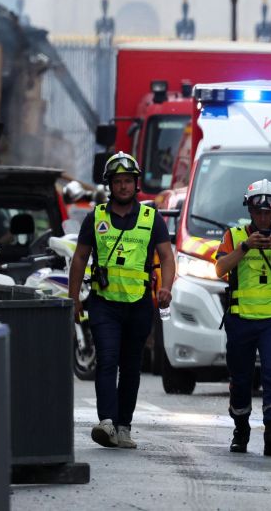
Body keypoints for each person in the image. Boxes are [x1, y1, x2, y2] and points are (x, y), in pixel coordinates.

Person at [69, 152, 175, 449]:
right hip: (104, 303)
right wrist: (73, 297)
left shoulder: (151, 218)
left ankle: (124, 427)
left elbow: (167, 257)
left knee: (130, 367)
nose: (124, 187)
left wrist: (166, 287)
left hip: (139, 304)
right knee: (107, 360)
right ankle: (106, 423)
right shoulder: (96, 217)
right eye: (118, 182)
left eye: (128, 181)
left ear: (135, 184)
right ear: (110, 185)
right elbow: (79, 258)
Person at [214, 178, 271, 456]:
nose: (263, 217)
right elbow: (220, 268)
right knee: (241, 379)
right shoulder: (234, 236)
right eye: (258, 212)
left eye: (268, 212)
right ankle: (241, 429)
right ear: (250, 210)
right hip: (241, 320)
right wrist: (244, 248)